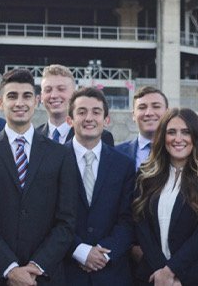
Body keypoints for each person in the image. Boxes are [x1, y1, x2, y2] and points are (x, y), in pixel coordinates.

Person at [0, 68, 79, 286]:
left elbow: (66, 221)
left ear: (36, 101)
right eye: (12, 96)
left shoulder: (61, 155)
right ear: (0, 102)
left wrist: (37, 266)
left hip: (44, 276)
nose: (20, 103)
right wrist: (9, 268)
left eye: (27, 96)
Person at [132, 108, 198, 286]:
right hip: (153, 277)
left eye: (186, 132)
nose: (178, 139)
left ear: (196, 136)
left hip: (197, 277)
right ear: (162, 137)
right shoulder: (146, 173)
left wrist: (172, 271)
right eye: (171, 132)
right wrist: (161, 272)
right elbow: (141, 224)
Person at [62, 87, 134, 285]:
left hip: (111, 272)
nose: (89, 118)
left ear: (106, 120)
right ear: (70, 120)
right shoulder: (53, 160)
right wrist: (81, 251)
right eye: (81, 112)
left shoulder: (124, 164)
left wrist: (103, 254)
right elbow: (48, 217)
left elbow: (128, 219)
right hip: (67, 272)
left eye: (96, 112)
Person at [36, 64, 115, 147]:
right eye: (48, 90)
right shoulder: (34, 138)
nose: (54, 95)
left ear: (74, 94)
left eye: (61, 89)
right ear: (41, 96)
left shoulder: (101, 137)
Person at [115, 86, 169, 171]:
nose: (149, 113)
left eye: (156, 106)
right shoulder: (116, 154)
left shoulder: (180, 151)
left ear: (167, 113)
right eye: (142, 107)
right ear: (133, 115)